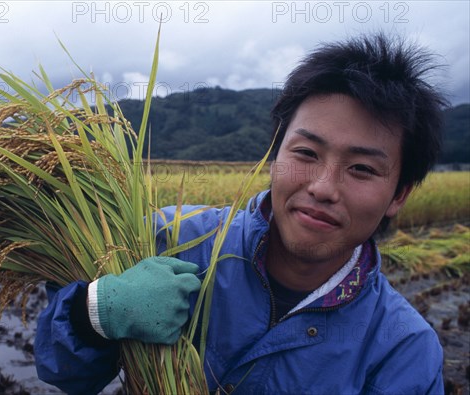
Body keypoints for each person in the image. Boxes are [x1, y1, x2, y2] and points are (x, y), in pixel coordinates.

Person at [34, 33, 447, 394]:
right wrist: (94, 313)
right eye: (305, 153)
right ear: (274, 154)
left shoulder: (401, 349)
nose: (322, 187)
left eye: (361, 169)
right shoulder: (170, 241)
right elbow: (65, 373)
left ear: (398, 195)